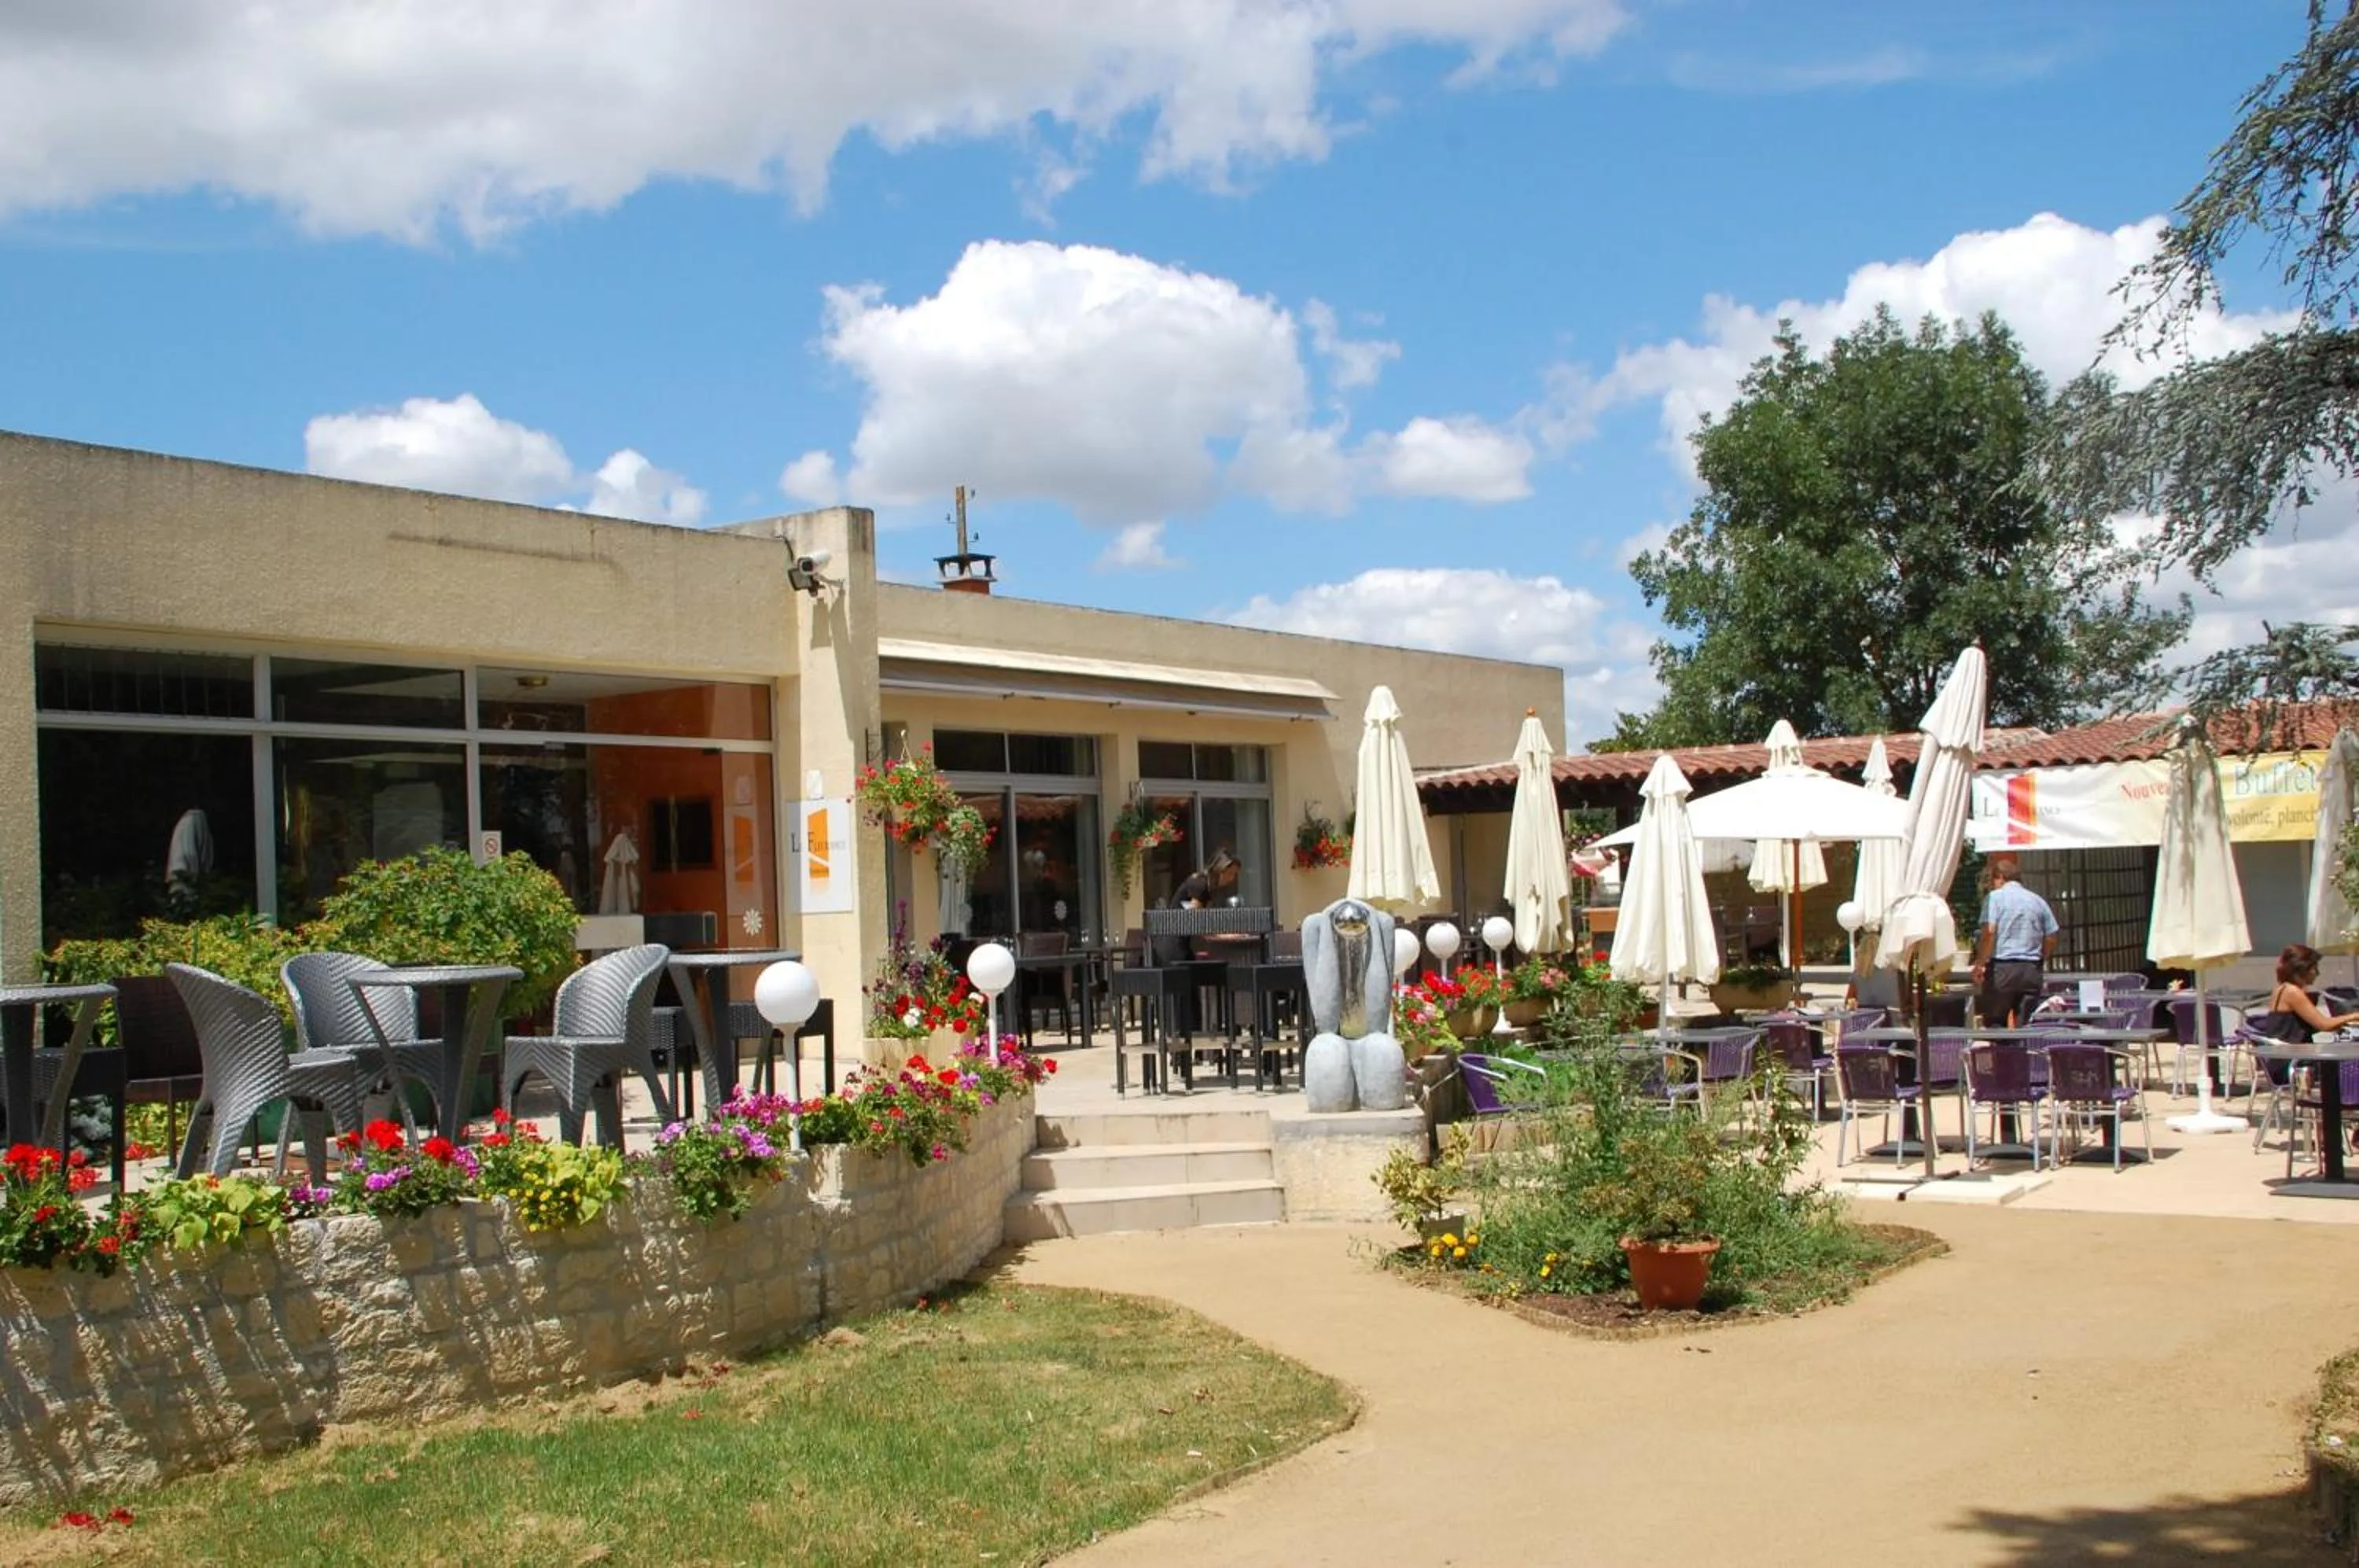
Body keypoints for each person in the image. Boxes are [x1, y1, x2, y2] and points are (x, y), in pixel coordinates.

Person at [1969, 855, 2059, 1027]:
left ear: (2000, 877)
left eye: (1993, 881)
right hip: (2031, 970)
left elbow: (1989, 932)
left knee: (1996, 1023)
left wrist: (1980, 963)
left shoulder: (1995, 898)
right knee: (2025, 1025)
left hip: (2002, 969)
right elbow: (2052, 936)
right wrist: (2042, 956)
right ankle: (2021, 1044)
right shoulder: (2038, 900)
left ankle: (2000, 1045)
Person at [2247, 944, 2359, 1041]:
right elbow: (2324, 1025)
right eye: (2314, 968)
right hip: (2292, 1054)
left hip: (2284, 1052)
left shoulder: (2282, 988)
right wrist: (2354, 1016)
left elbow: (2306, 1026)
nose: (2318, 973)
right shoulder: (2292, 992)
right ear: (2302, 969)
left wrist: (2341, 1022)